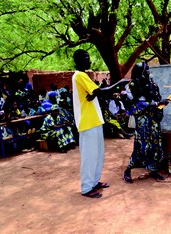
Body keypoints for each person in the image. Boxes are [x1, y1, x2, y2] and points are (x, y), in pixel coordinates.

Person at [122, 62, 170, 183]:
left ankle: (153, 170)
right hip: (143, 121)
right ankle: (128, 170)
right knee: (141, 145)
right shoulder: (133, 85)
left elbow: (157, 98)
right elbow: (136, 104)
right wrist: (156, 104)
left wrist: (161, 103)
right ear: (140, 72)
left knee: (155, 144)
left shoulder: (152, 84)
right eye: (146, 69)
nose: (149, 71)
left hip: (153, 119)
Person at [72, 49, 109, 198]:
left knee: (98, 155)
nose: (89, 60)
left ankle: (94, 182)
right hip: (87, 123)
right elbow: (100, 92)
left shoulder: (84, 76)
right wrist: (119, 84)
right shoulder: (80, 75)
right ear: (78, 60)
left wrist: (93, 94)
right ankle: (87, 187)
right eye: (86, 58)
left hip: (94, 121)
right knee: (89, 156)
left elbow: (92, 93)